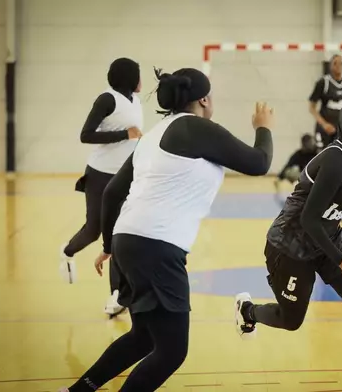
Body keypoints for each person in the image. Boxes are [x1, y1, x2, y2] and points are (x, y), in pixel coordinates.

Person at [59, 67, 274, 392]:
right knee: (173, 350)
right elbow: (260, 162)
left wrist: (109, 245)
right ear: (203, 99)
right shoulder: (196, 127)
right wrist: (263, 128)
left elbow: (113, 193)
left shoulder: (153, 135)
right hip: (156, 246)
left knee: (143, 338)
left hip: (128, 242)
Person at [235, 103, 342, 392]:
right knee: (291, 320)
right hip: (292, 244)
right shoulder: (337, 159)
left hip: (327, 240)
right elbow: (309, 218)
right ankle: (248, 311)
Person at [59, 57, 143, 317]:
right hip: (99, 176)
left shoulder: (136, 101)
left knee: (120, 234)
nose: (142, 81)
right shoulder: (106, 100)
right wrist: (124, 134)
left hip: (126, 177)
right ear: (130, 77)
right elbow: (86, 135)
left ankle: (117, 295)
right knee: (94, 230)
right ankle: (67, 251)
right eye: (138, 75)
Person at [308, 54, 342, 149]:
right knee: (324, 156)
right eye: (335, 63)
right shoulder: (323, 82)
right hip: (326, 128)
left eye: (341, 63)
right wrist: (324, 124)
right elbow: (312, 107)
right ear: (330, 65)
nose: (338, 65)